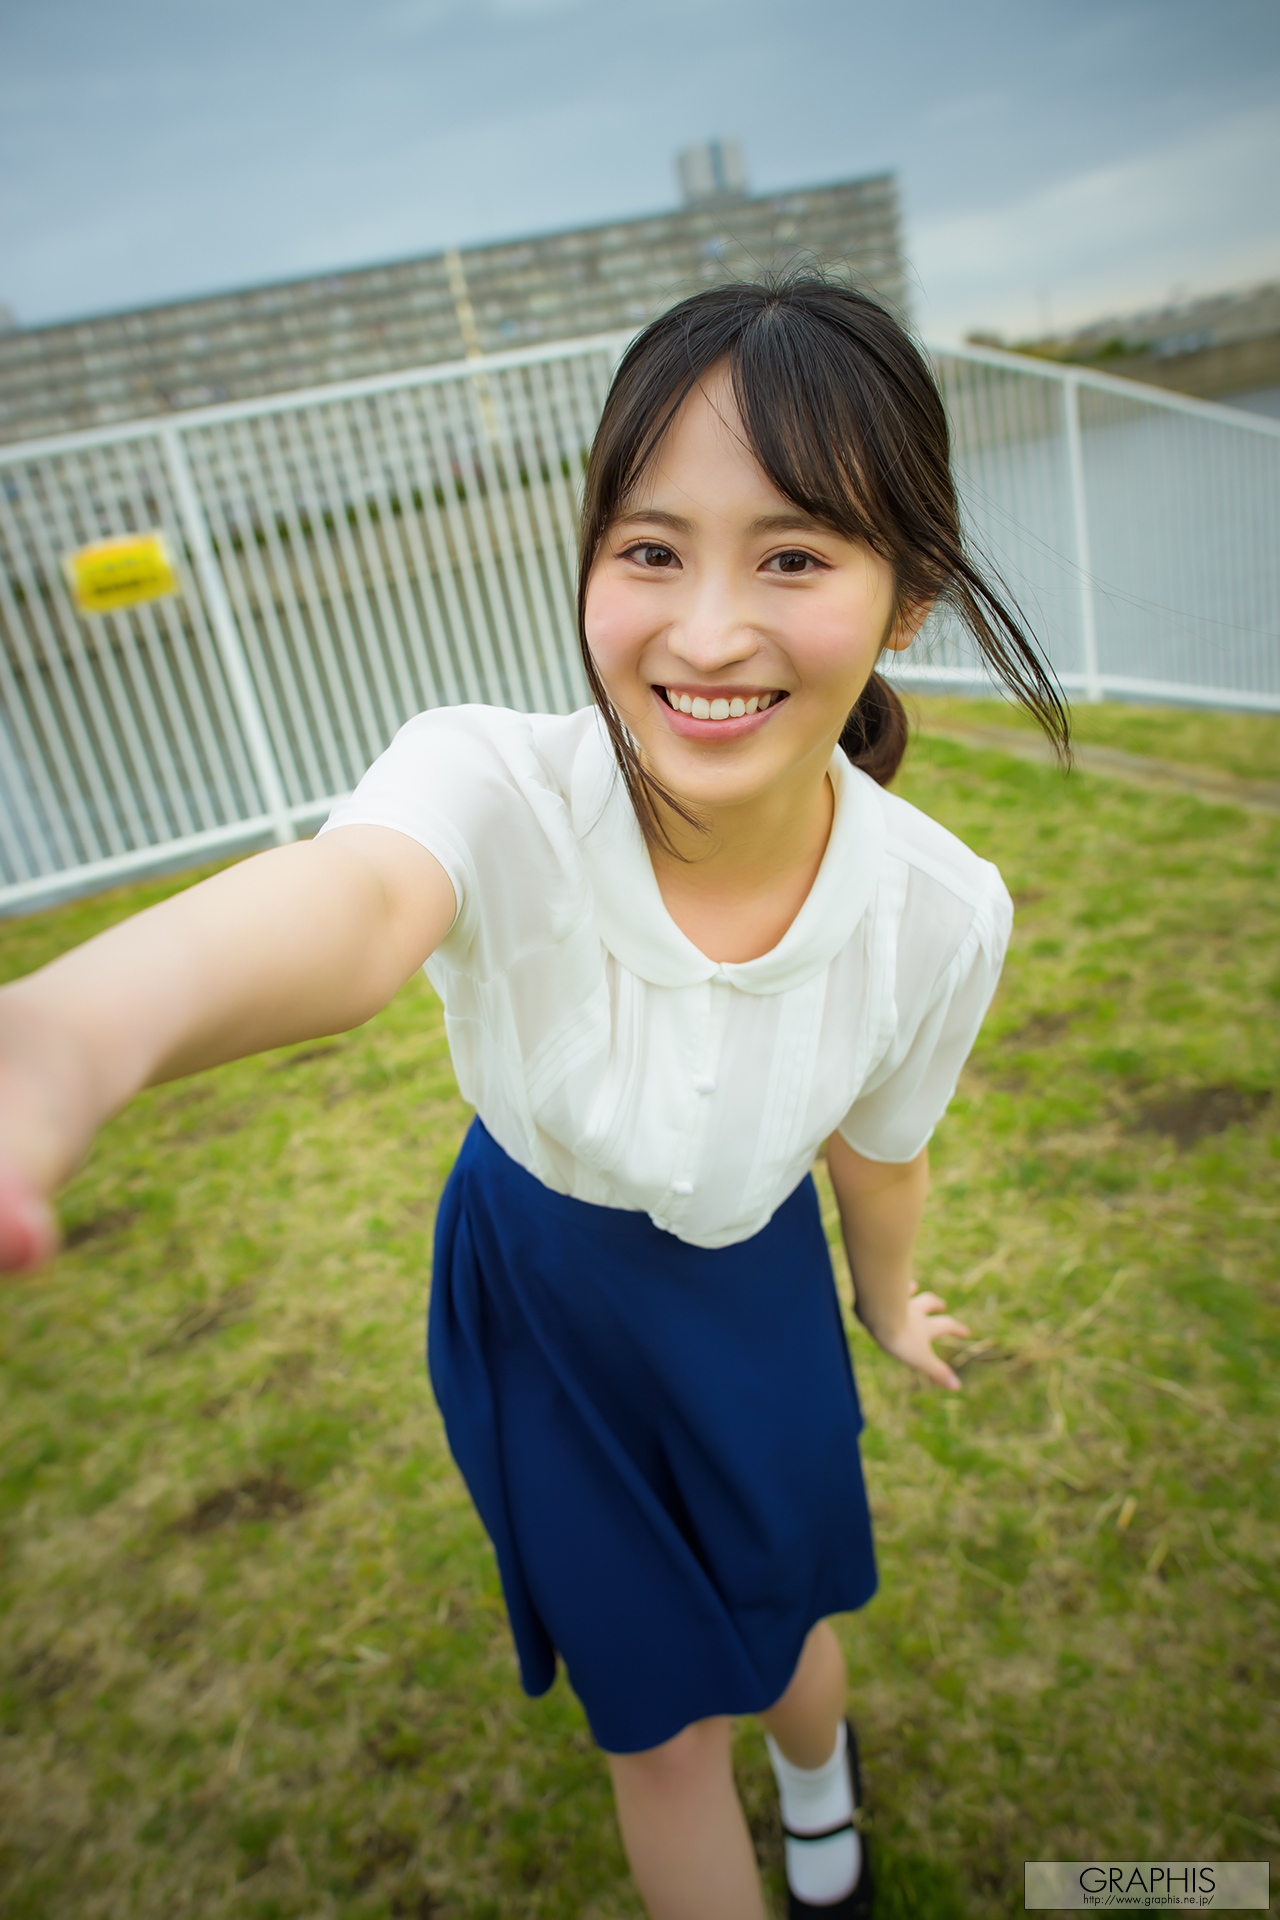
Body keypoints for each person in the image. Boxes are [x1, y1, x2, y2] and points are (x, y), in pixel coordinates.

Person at [0, 276, 1067, 1919]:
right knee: (658, 1725)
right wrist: (62, 1042)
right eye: (651, 551)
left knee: (788, 1628)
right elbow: (355, 905)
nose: (705, 632)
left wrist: (887, 1299)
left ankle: (819, 1791)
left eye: (792, 557)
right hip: (540, 1298)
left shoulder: (943, 909)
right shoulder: (493, 782)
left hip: (757, 1297)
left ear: (907, 595)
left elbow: (879, 1149)